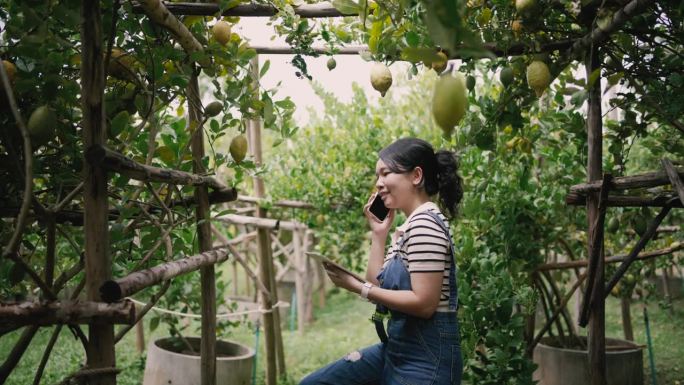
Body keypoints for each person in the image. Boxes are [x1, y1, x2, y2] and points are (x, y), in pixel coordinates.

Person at [300, 137, 464, 385]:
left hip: (426, 359)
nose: (378, 184)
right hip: (398, 348)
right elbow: (377, 282)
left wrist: (358, 288)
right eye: (378, 176)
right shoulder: (409, 227)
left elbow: (424, 304)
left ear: (416, 176)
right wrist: (379, 235)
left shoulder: (425, 224)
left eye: (385, 173)